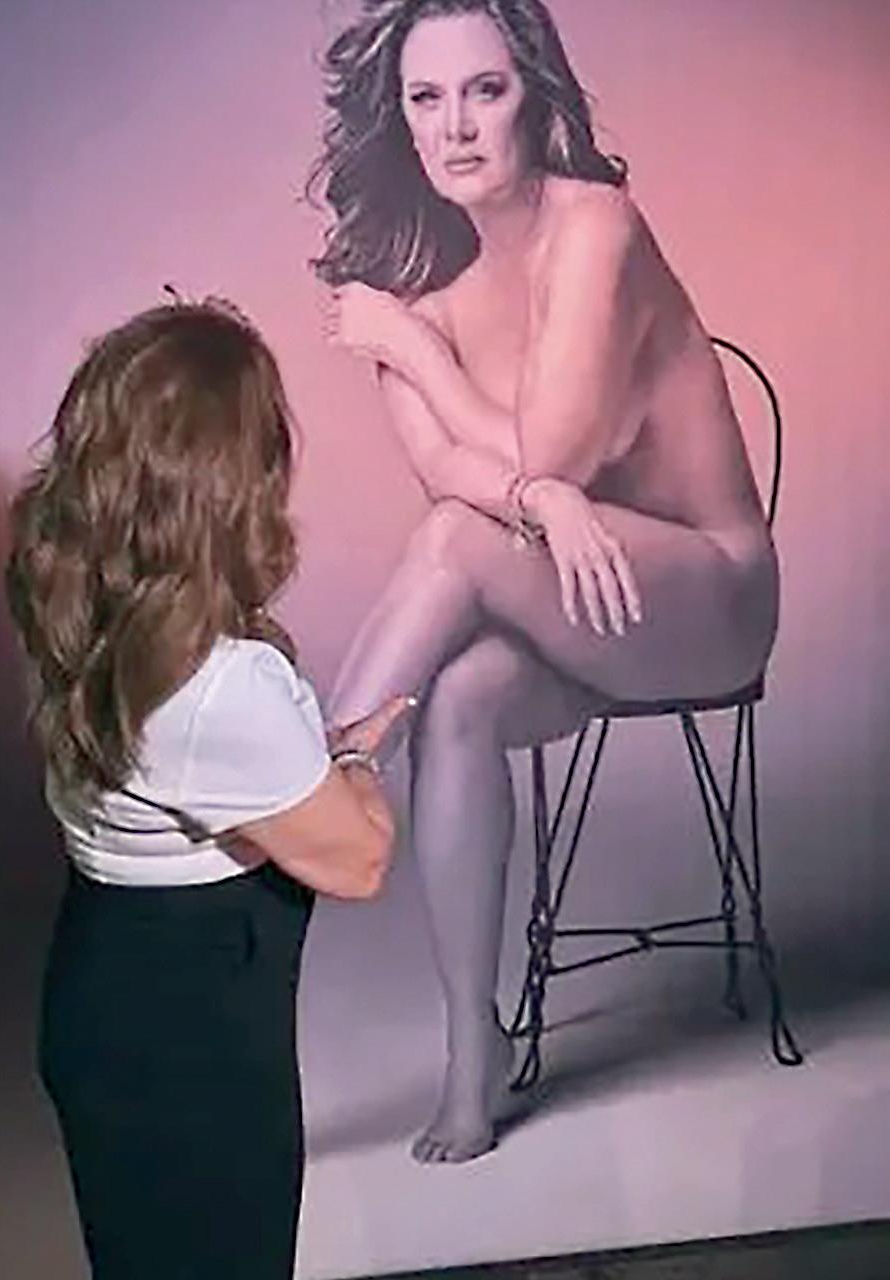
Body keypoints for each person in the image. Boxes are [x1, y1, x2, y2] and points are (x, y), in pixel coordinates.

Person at [308, 0, 778, 1164]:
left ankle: (319, 779)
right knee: (460, 701)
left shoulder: (592, 227)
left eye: (486, 90)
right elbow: (460, 475)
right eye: (426, 98)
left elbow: (536, 456)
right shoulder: (416, 282)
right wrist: (542, 498)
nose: (456, 126)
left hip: (706, 596)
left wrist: (419, 357)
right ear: (397, 118)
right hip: (578, 609)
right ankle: (473, 1044)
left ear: (536, 96)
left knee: (457, 542)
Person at [4, 298, 411, 1278]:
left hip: (105, 994)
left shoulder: (66, 590)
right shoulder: (223, 682)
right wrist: (355, 765)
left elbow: (186, 771)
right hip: (193, 1046)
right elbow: (358, 861)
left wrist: (295, 764)